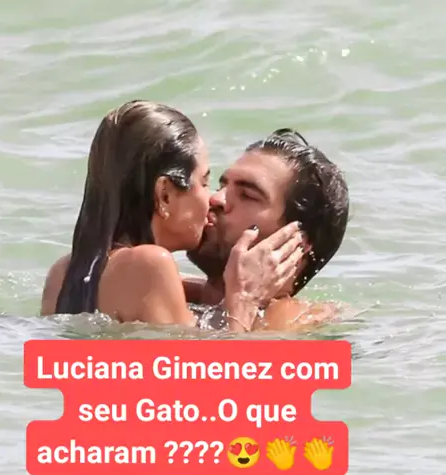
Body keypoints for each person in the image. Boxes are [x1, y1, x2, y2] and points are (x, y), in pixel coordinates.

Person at [41, 100, 305, 332]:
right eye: (203, 182)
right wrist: (244, 300)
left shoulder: (62, 272)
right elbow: (202, 368)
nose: (212, 198)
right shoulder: (151, 264)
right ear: (165, 194)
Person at [184, 128, 350, 332]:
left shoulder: (294, 322)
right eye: (222, 186)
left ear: (296, 242)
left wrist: (244, 301)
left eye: (247, 195)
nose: (215, 199)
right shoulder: (173, 292)